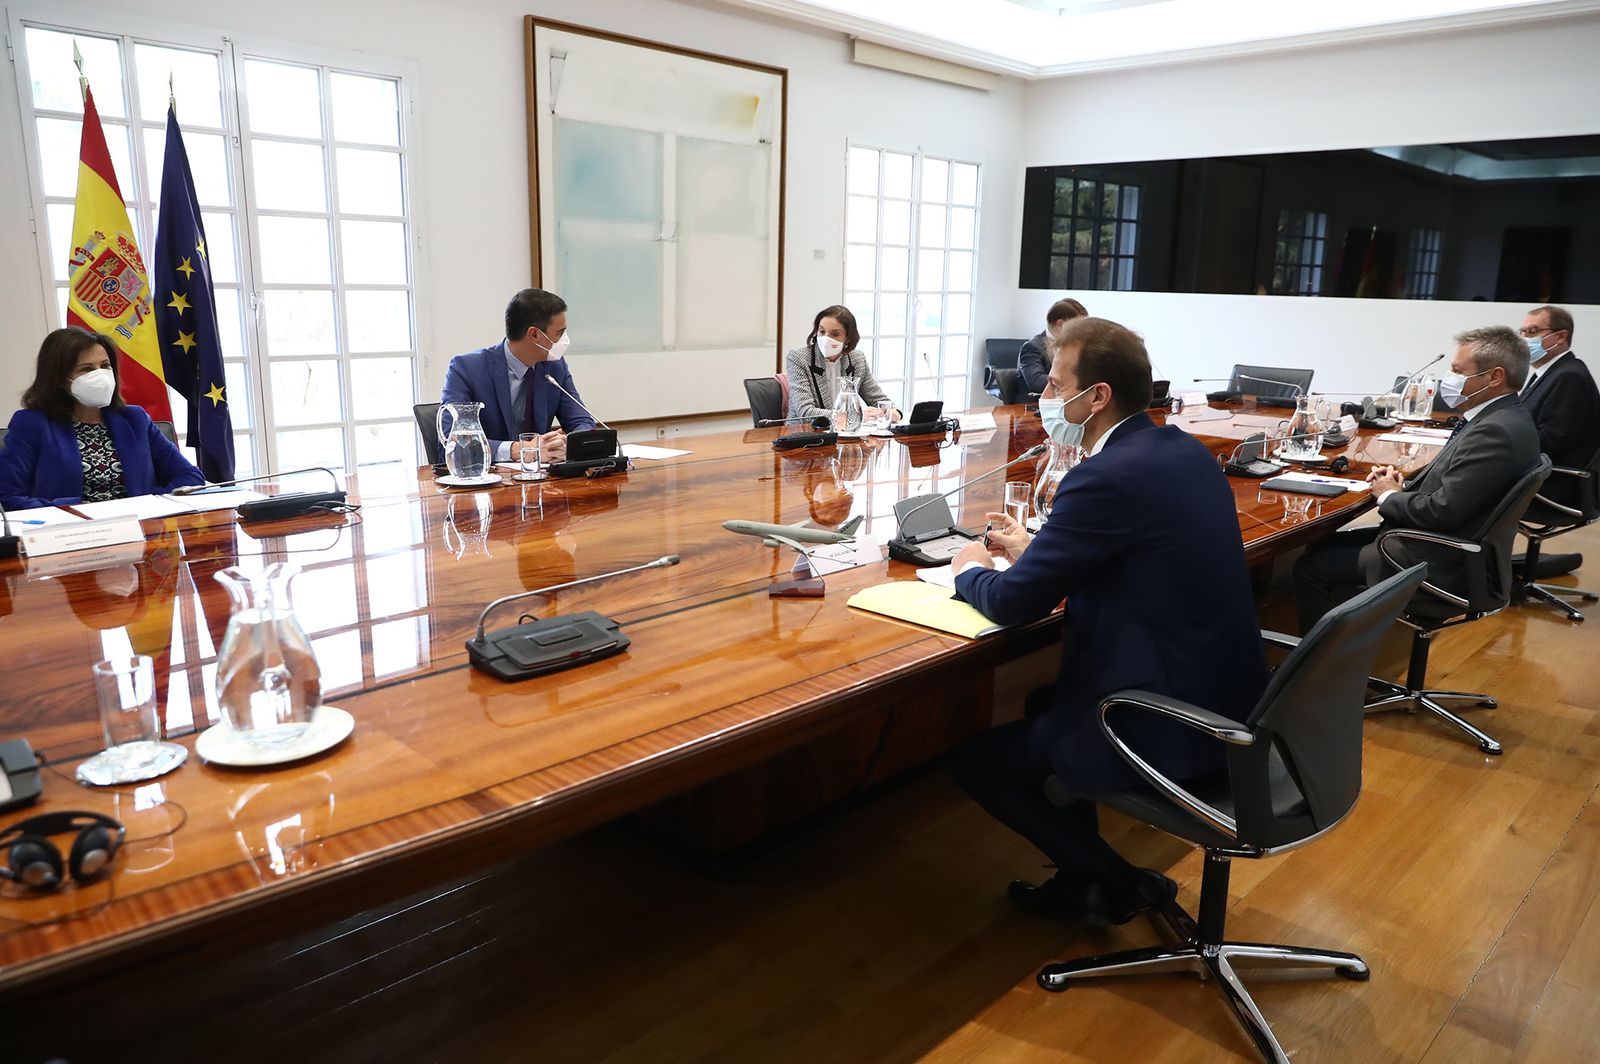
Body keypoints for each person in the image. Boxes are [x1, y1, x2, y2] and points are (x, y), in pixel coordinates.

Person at [947, 317, 1268, 926]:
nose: (1044, 395)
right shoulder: (1184, 451)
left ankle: (1121, 883)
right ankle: (1083, 886)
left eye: (1055, 384)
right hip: (1227, 701)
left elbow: (1014, 604)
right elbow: (1133, 557)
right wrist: (1037, 550)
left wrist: (969, 570)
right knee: (1044, 700)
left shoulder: (1102, 477)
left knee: (978, 764)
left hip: (1164, 720)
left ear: (1097, 396)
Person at [1294, 325, 1540, 634]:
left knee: (1310, 568)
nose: (1449, 379)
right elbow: (1460, 489)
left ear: (1494, 377)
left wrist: (1388, 496)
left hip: (1440, 561)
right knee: (1322, 543)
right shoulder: (1505, 417)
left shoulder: (1494, 431)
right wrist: (1400, 488)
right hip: (1454, 545)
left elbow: (1443, 510)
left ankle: (1321, 662)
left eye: (1457, 371)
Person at [0, 327, 203, 510]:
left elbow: (190, 476)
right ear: (59, 379)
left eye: (105, 366)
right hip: (71, 532)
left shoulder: (135, 419)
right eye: (87, 369)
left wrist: (148, 502)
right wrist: (73, 511)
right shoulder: (31, 424)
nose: (100, 375)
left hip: (138, 526)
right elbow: (8, 496)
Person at [441, 289, 596, 466]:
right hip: (484, 477)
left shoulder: (555, 367)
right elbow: (453, 440)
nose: (565, 340)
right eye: (559, 333)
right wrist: (521, 450)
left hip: (540, 477)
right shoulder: (466, 369)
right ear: (534, 334)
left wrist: (566, 445)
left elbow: (582, 421)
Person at [1516, 306, 1599, 575]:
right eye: (1521, 332)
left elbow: (1551, 441)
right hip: (1543, 476)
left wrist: (1500, 448)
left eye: (1532, 331)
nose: (1524, 339)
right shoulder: (1549, 373)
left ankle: (1477, 570)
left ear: (1560, 336)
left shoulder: (1569, 377)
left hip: (1557, 486)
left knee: (1473, 487)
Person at [784, 306, 899, 424]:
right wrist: (855, 417)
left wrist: (891, 411)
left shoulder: (857, 358)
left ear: (847, 338)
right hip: (804, 431)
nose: (826, 338)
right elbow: (805, 412)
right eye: (822, 331)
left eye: (835, 334)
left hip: (846, 431)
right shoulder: (798, 358)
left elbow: (875, 396)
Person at [1017, 298, 1088, 398]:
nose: (1081, 331)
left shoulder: (1073, 346)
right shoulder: (1032, 347)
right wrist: (1074, 382)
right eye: (1077, 326)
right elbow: (1037, 382)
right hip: (1035, 403)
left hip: (1065, 400)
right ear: (1060, 324)